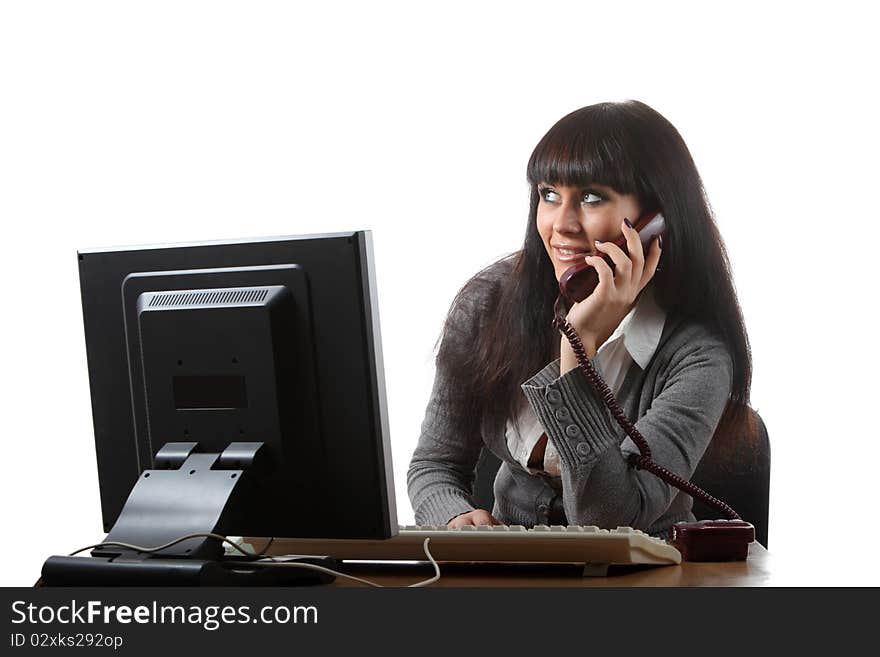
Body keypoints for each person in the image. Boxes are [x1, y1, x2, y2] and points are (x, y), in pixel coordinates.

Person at [406, 100, 754, 538]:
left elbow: (607, 519)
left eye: (591, 197)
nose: (562, 224)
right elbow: (434, 464)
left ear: (655, 220)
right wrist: (455, 518)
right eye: (549, 195)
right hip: (506, 574)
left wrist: (578, 348)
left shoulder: (697, 354)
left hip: (646, 582)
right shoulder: (487, 303)